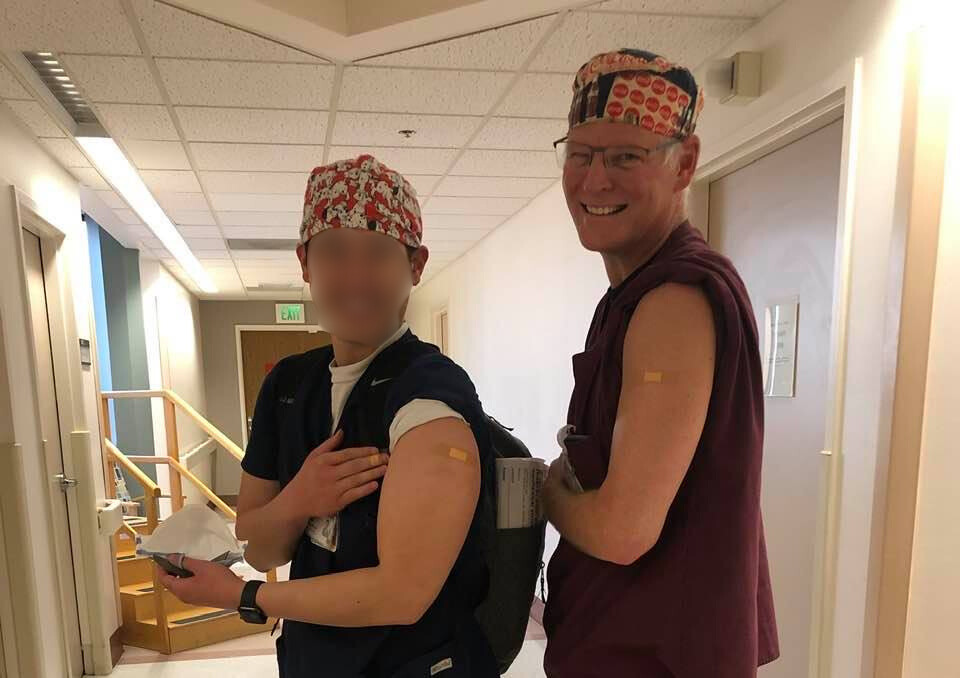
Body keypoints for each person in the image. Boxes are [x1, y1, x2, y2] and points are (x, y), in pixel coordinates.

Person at [159, 155, 499, 678]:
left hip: (421, 662)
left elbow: (402, 594)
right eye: (335, 251)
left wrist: (246, 595)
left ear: (416, 265)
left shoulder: (430, 397)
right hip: (314, 657)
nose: (355, 276)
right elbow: (261, 542)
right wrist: (301, 498)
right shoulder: (289, 386)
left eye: (379, 253)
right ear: (305, 262)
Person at [541, 49, 780, 677]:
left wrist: (542, 489)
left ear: (685, 163)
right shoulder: (629, 298)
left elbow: (623, 531)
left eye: (625, 156)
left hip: (654, 657)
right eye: (581, 154)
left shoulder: (674, 299)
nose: (595, 181)